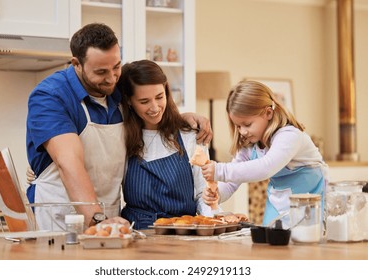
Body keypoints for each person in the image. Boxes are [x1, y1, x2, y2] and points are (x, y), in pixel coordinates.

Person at [26, 23, 212, 231]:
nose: (112, 77)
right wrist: (96, 219)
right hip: (61, 217)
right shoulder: (51, 96)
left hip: (110, 217)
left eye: (116, 66)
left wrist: (180, 118)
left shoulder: (117, 89)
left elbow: (150, 104)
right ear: (76, 64)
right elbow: (68, 163)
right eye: (101, 71)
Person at [201, 80, 328, 227]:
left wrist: (219, 170)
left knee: (304, 245)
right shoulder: (250, 145)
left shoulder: (289, 136)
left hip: (308, 206)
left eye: (247, 124)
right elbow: (231, 182)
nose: (242, 131)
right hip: (277, 205)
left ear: (268, 113)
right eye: (238, 126)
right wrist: (217, 193)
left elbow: (266, 167)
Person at [116, 60, 220, 229]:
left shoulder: (189, 135)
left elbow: (203, 193)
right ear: (129, 101)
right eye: (144, 101)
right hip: (137, 234)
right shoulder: (122, 137)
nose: (155, 107)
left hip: (183, 231)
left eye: (159, 97)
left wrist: (211, 222)